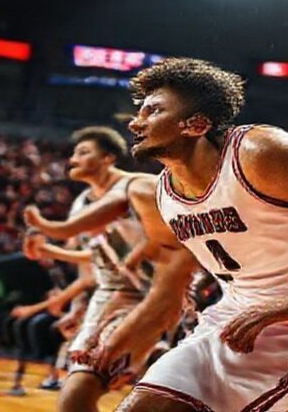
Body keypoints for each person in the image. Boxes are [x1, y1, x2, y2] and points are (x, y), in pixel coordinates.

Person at [111, 58, 288, 412]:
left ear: (196, 124)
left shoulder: (258, 152)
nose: (136, 122)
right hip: (233, 308)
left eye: (153, 111)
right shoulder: (166, 190)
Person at [23, 126, 179, 412]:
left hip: (153, 295)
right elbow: (96, 260)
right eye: (73, 153)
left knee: (92, 387)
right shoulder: (82, 203)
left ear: (107, 158)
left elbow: (176, 244)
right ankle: (154, 360)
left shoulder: (141, 187)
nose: (73, 159)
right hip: (111, 295)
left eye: (83, 152)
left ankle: (158, 358)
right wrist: (49, 251)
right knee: (75, 393)